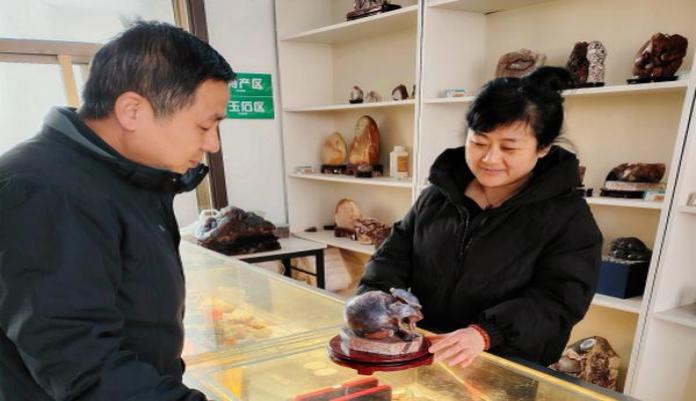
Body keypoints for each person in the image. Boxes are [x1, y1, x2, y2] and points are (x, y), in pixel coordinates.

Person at [0, 21, 235, 400]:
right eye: (205, 125)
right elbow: (82, 362)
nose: (213, 143)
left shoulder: (125, 175)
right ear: (132, 111)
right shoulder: (42, 189)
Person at [358, 67, 602, 368]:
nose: (489, 159)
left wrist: (487, 333)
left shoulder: (567, 216)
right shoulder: (439, 195)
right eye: (479, 142)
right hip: (427, 351)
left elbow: (559, 300)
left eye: (509, 147)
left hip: (504, 365)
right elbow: (394, 255)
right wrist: (375, 301)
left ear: (543, 148)